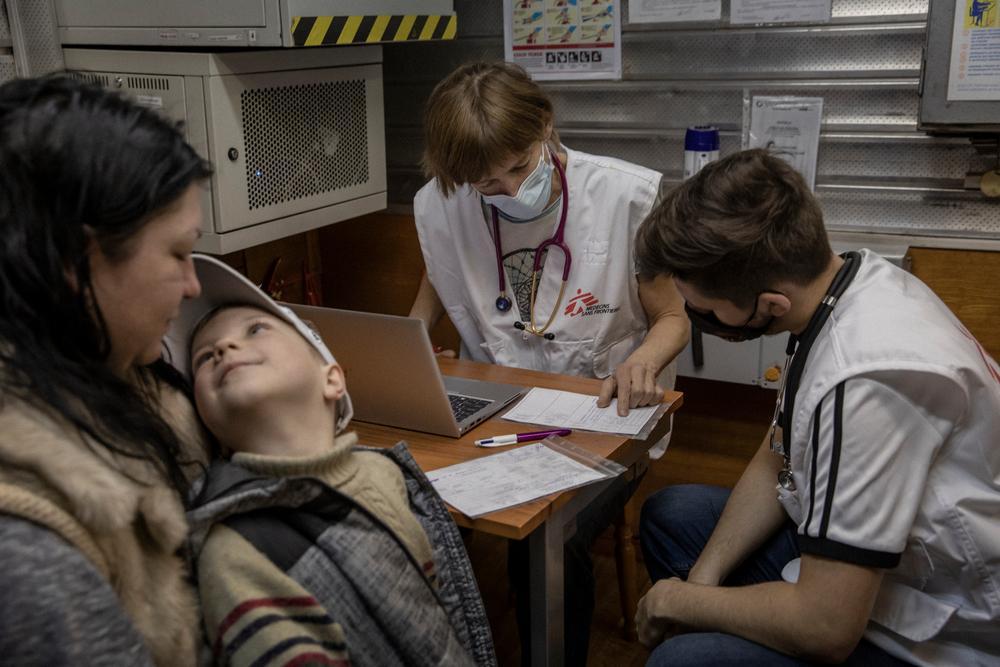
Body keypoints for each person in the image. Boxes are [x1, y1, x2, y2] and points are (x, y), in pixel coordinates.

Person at [633, 148, 1000, 666]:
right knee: (673, 516)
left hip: (944, 624)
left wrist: (681, 601)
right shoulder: (844, 283)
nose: (695, 317)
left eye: (705, 309)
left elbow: (826, 628)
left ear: (770, 305)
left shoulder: (869, 379)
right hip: (879, 571)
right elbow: (780, 446)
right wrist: (702, 585)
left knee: (682, 661)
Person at [409, 60, 690, 664]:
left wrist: (643, 363)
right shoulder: (443, 201)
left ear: (546, 125)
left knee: (549, 536)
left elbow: (674, 318)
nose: (510, 191)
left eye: (519, 167)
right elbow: (442, 269)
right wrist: (412, 339)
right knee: (406, 502)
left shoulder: (624, 197)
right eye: (488, 185)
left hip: (606, 417)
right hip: (498, 414)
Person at [168, 255, 496, 667]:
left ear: (332, 378)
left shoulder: (386, 472)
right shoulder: (234, 552)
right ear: (205, 418)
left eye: (255, 330)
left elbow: (438, 608)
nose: (224, 347)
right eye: (203, 358)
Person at [0, 75, 213, 664]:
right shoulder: (26, 553)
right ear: (78, 260)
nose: (193, 283)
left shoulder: (133, 389)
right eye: (177, 252)